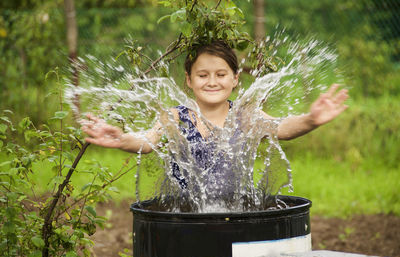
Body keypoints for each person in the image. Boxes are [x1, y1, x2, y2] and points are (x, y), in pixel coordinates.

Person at [81, 40, 349, 193]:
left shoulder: (244, 116)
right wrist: (121, 138)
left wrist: (311, 119)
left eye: (221, 75)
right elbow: (147, 142)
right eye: (202, 75)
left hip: (235, 213)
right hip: (187, 218)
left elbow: (281, 128)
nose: (212, 82)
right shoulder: (176, 116)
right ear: (188, 80)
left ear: (234, 79)